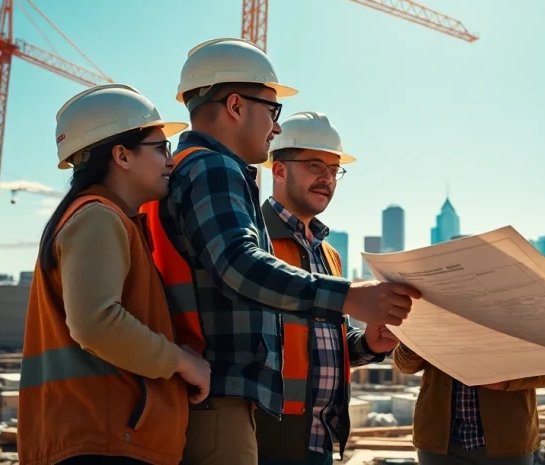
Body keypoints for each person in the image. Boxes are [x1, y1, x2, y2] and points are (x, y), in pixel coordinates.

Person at [141, 38, 421, 465]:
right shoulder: (215, 168)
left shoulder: (193, 169)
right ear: (235, 105)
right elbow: (238, 265)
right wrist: (348, 295)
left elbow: (309, 341)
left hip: (277, 417)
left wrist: (367, 344)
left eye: (334, 170)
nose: (275, 128)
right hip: (234, 403)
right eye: (273, 112)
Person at [18, 84, 211, 465]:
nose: (171, 162)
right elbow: (96, 323)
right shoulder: (98, 217)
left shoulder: (108, 219)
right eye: (161, 149)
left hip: (102, 435)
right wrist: (183, 362)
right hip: (103, 440)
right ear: (122, 155)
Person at [255, 111, 400, 465]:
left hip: (319, 438)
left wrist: (367, 343)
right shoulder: (255, 243)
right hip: (266, 434)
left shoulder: (329, 255)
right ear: (278, 170)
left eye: (335, 171)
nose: (328, 179)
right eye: (315, 166)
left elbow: (323, 345)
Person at [393, 344, 545, 465]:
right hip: (440, 444)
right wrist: (417, 334)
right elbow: (405, 365)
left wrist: (507, 382)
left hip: (508, 445)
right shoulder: (430, 302)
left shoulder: (521, 308)